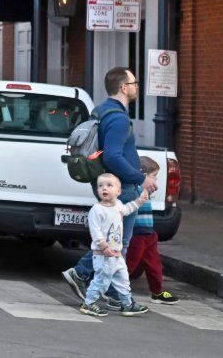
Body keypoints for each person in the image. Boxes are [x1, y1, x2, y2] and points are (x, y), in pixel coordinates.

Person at [61, 67, 157, 306]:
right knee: (118, 243)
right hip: (121, 187)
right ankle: (82, 274)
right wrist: (139, 178)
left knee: (117, 241)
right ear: (124, 87)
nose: (136, 87)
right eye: (134, 83)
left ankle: (113, 293)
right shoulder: (119, 119)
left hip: (109, 182)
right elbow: (113, 155)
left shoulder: (102, 111)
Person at [78, 173, 150, 317]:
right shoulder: (97, 210)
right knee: (101, 281)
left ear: (118, 191)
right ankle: (89, 303)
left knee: (123, 280)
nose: (104, 188)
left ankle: (127, 304)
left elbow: (127, 209)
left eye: (109, 185)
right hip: (103, 254)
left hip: (117, 254)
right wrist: (104, 247)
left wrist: (139, 201)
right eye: (100, 186)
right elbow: (95, 231)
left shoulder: (118, 205)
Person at [124, 157, 178, 304]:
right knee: (129, 263)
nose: (155, 181)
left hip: (149, 233)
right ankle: (116, 289)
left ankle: (157, 291)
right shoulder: (136, 189)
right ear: (142, 174)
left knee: (154, 264)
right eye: (154, 176)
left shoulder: (147, 190)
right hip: (137, 234)